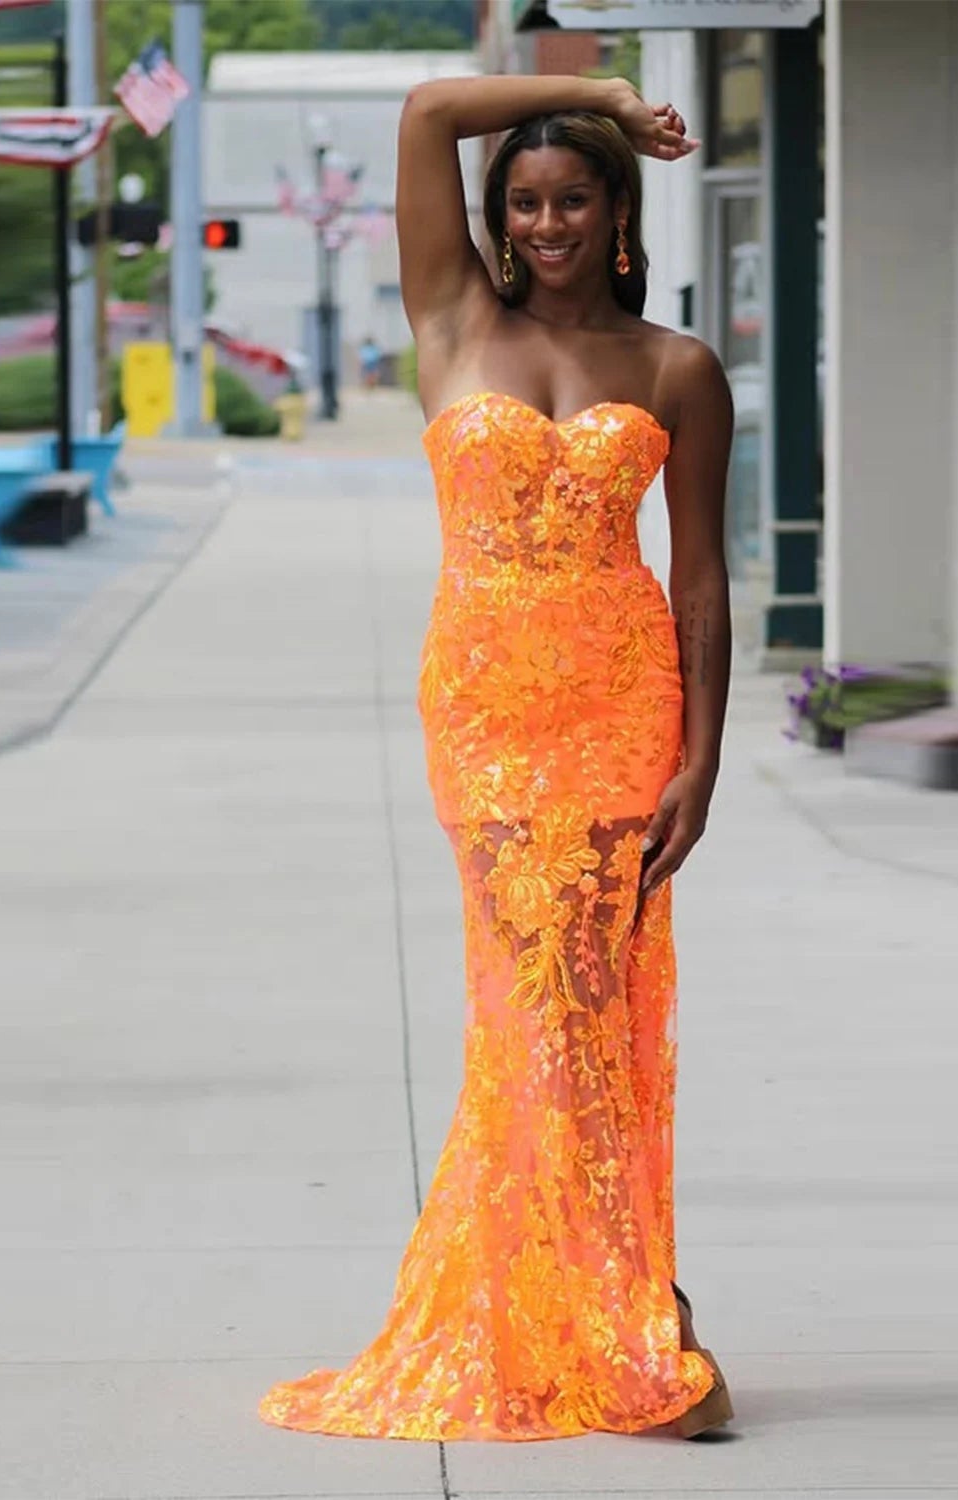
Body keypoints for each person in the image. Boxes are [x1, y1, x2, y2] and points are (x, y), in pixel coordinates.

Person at [259, 73, 734, 1443]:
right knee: (534, 1009)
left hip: (617, 708)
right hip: (483, 717)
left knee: (588, 1005)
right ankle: (631, 1310)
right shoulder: (452, 317)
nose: (546, 224)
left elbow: (698, 583)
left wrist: (701, 758)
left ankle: (629, 1310)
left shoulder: (674, 369)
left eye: (573, 198)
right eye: (524, 202)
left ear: (619, 209)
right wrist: (595, 92)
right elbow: (422, 113)